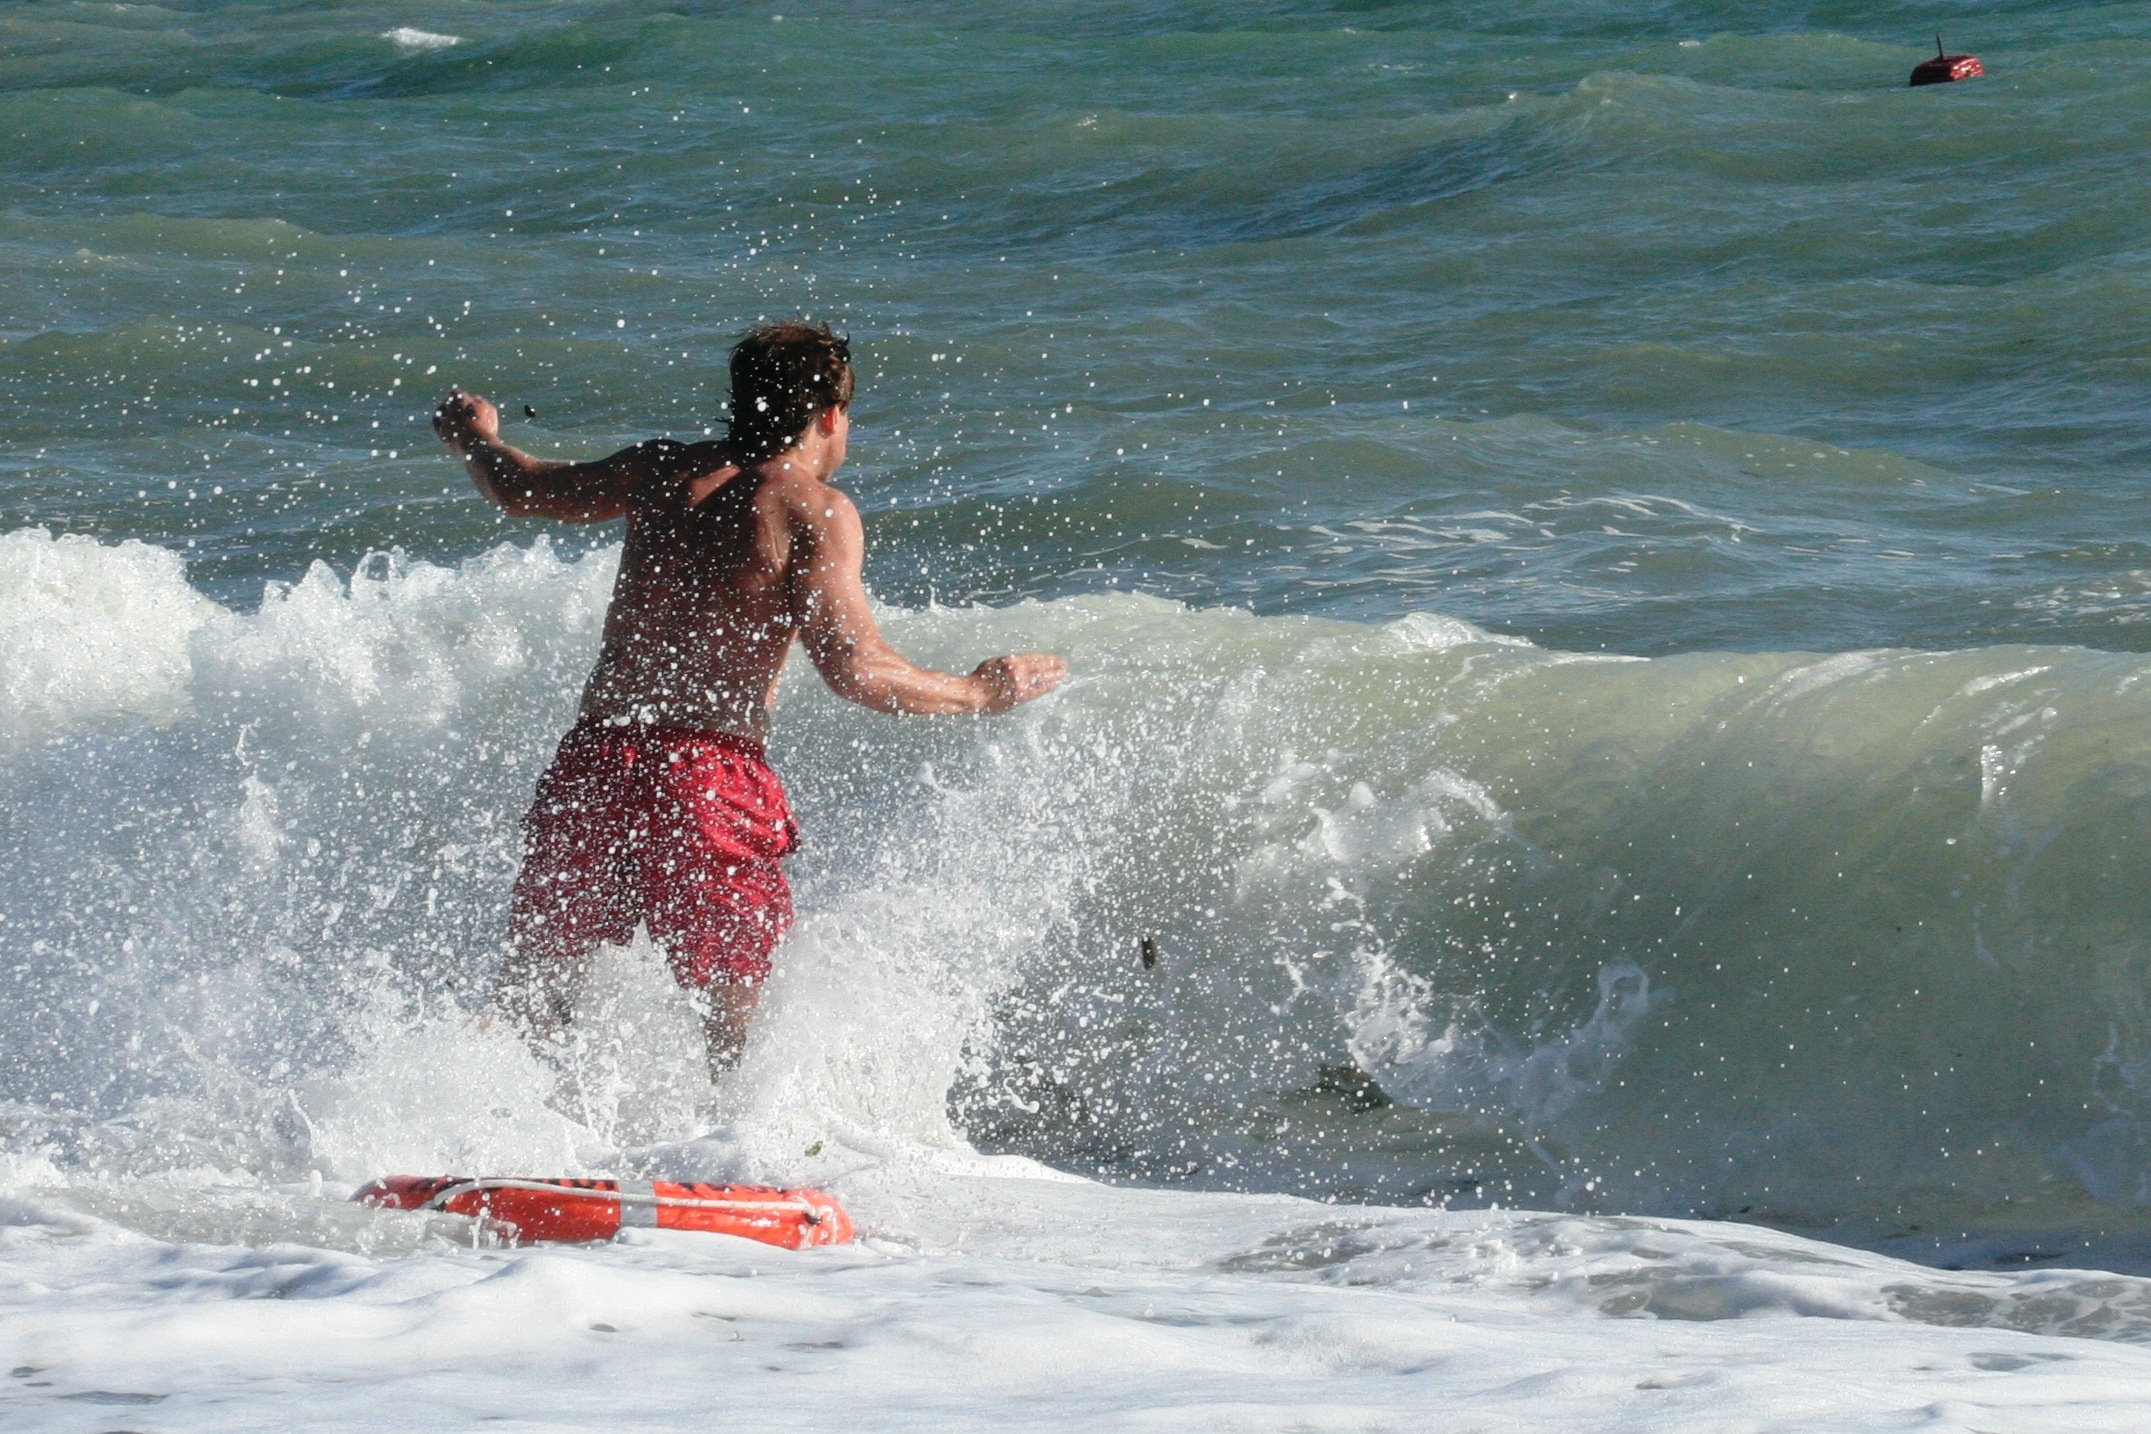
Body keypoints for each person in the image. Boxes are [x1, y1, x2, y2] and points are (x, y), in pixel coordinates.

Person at [433, 321, 1065, 1075]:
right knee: (734, 1018)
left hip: (596, 762)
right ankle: (736, 1135)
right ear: (829, 414)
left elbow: (522, 488)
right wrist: (980, 691)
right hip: (705, 777)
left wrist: (476, 438)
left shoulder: (656, 469)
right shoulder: (811, 508)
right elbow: (856, 669)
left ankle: (481, 1121)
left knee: (538, 989)